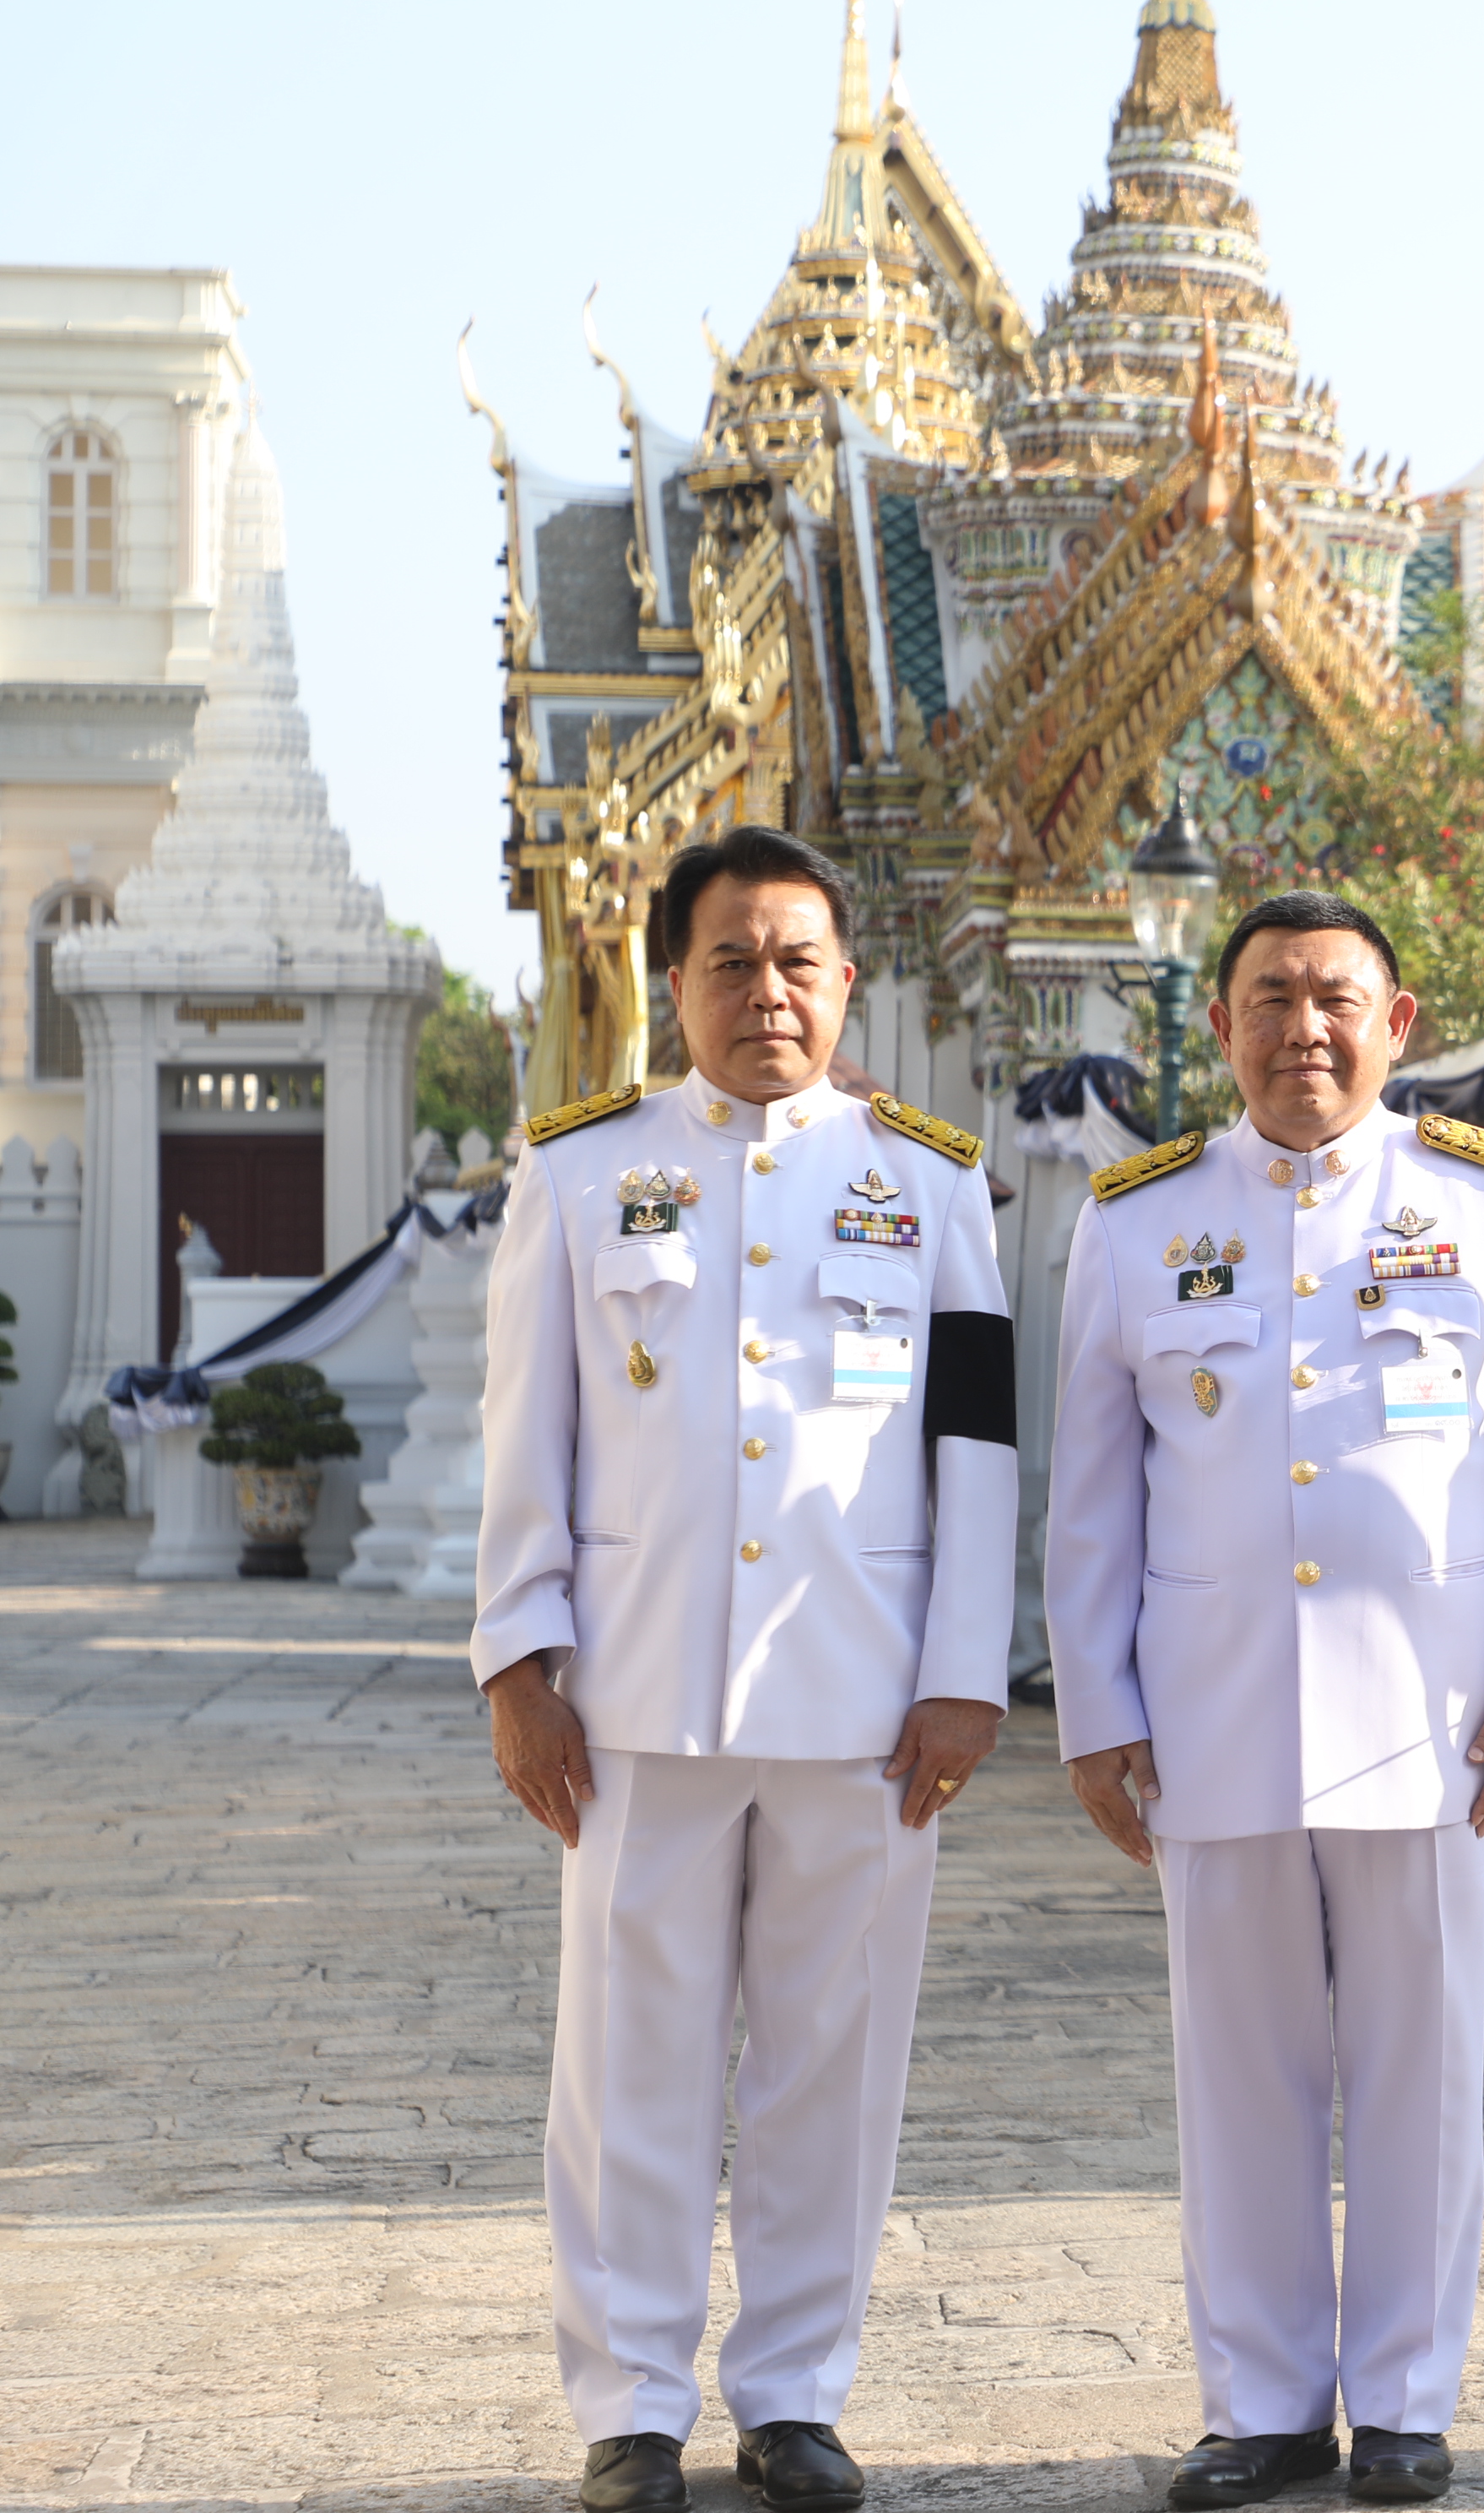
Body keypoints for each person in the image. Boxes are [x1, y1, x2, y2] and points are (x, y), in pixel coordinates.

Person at [472, 827, 1016, 2513]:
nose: (764, 991)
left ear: (845, 983)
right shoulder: (576, 1174)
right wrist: (517, 1658)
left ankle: (793, 2391)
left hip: (866, 1705)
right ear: (673, 984)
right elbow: (528, 1438)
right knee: (629, 2058)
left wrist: (967, 1667)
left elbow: (978, 1443)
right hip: (637, 1698)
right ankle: (631, 2399)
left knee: (831, 2059)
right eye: (730, 959)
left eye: (796, 960)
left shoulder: (929, 1182)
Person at [1048, 893, 1484, 2509]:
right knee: (1240, 2073)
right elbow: (1093, 1491)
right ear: (1220, 1030)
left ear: (1400, 1021)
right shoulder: (1139, 1220)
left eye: (1337, 999)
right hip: (1213, 1707)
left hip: (1436, 1717)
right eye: (1272, 999)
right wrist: (1097, 1704)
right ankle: (1266, 2403)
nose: (1306, 1028)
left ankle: (1412, 2398)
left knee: (1422, 2064)